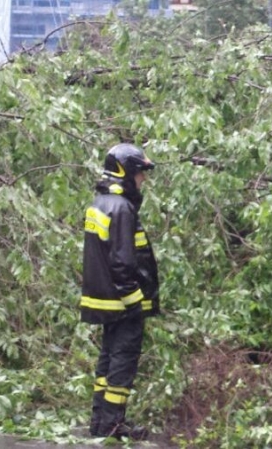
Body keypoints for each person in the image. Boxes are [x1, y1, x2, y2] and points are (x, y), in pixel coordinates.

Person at [81, 143, 159, 440]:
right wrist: (135, 302)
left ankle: (100, 423)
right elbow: (123, 261)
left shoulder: (100, 203)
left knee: (107, 362)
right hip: (124, 304)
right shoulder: (122, 208)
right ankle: (113, 426)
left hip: (105, 303)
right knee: (122, 365)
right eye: (140, 173)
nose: (143, 180)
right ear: (126, 172)